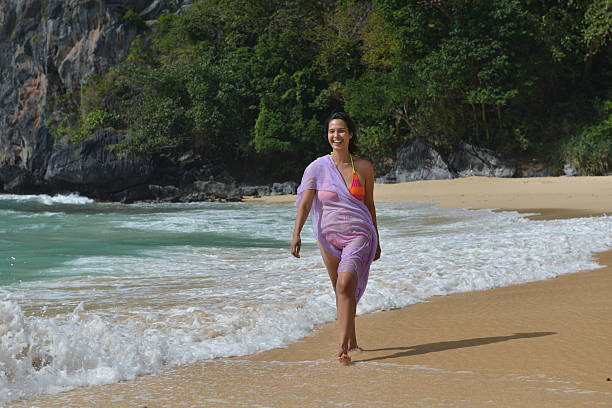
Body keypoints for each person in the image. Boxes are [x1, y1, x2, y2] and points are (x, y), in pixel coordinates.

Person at [291, 112, 381, 364]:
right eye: (332, 131)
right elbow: (306, 203)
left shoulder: (363, 167)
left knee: (344, 285)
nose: (336, 136)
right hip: (328, 239)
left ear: (350, 134)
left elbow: (369, 205)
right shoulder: (316, 168)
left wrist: (377, 238)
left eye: (341, 130)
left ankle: (342, 348)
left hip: (360, 235)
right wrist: (296, 234)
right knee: (341, 289)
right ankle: (352, 340)